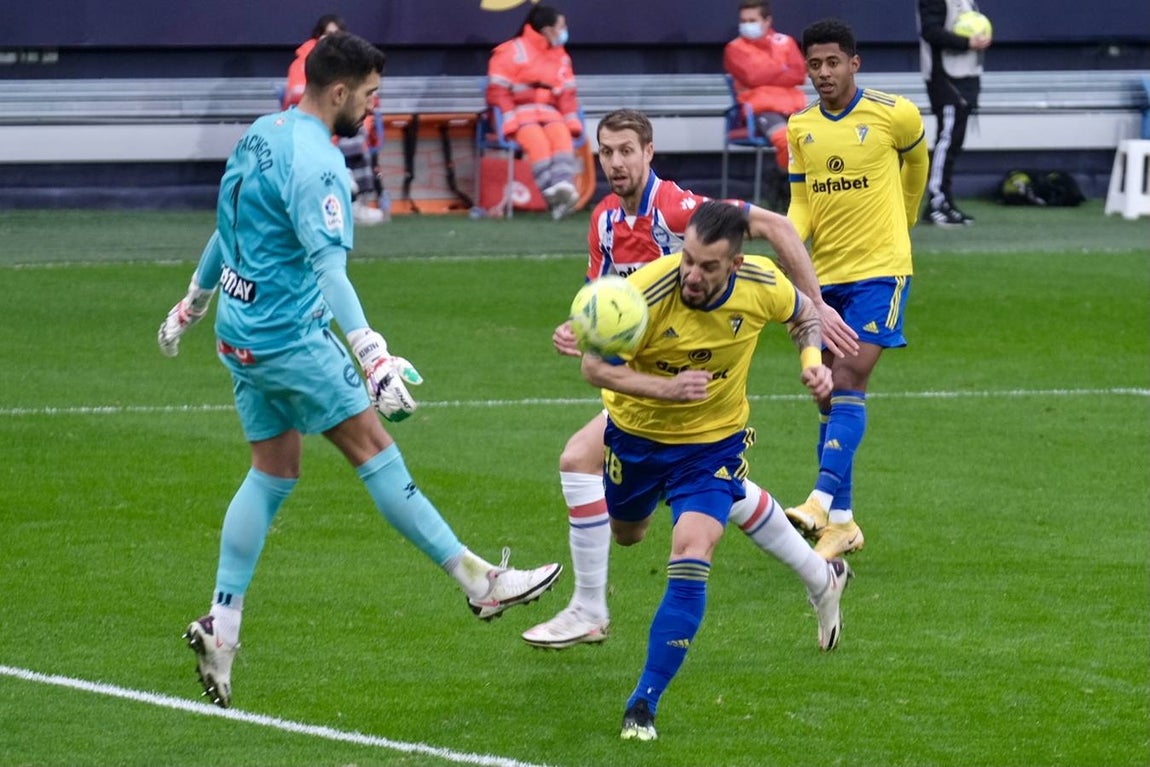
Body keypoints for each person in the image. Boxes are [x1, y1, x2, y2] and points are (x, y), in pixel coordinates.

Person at [155, 32, 561, 709]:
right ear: (339, 91)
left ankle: (223, 624)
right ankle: (479, 581)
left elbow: (228, 229)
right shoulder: (319, 164)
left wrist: (192, 303)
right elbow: (329, 270)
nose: (375, 106)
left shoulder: (260, 134)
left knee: (272, 470)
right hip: (291, 340)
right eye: (370, 95)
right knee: (375, 449)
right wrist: (372, 355)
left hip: (239, 333)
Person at [521, 108, 857, 652]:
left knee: (578, 459)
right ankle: (821, 576)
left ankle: (588, 608)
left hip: (697, 379)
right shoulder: (604, 219)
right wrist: (579, 326)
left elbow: (775, 226)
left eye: (627, 150)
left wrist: (815, 305)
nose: (615, 162)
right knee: (653, 521)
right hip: (649, 378)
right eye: (606, 152)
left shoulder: (680, 210)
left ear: (649, 152)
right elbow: (608, 302)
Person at [581, 200, 838, 740]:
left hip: (711, 444)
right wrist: (666, 389)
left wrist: (813, 364)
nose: (692, 275)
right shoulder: (647, 292)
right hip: (636, 438)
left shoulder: (762, 282)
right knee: (629, 534)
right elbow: (593, 367)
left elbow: (804, 315)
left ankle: (644, 703)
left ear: (736, 264)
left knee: (692, 551)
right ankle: (818, 570)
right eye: (688, 260)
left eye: (708, 266)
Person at [783, 19, 929, 558]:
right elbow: (802, 200)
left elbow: (917, 162)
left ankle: (820, 501)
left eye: (832, 62)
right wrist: (789, 243)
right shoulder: (800, 126)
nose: (823, 73)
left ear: (853, 63)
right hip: (823, 277)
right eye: (814, 64)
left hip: (881, 270)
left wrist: (906, 216)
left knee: (848, 376)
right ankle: (842, 524)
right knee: (827, 391)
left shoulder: (895, 113)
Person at [284, 14, 386, 226]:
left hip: (337, 128)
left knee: (357, 135)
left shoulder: (353, 67)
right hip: (312, 128)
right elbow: (296, 94)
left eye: (337, 34)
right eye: (328, 34)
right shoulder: (302, 63)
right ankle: (347, 196)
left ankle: (356, 201)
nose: (332, 39)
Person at [485, 4, 582, 220]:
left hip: (550, 113)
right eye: (561, 27)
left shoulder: (561, 56)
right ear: (547, 30)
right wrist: (509, 121)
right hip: (520, 115)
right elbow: (497, 92)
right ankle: (552, 193)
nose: (564, 31)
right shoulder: (510, 52)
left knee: (562, 137)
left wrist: (572, 122)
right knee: (538, 143)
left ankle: (564, 187)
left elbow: (567, 95)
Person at [918, 0, 992, 226]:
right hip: (945, 78)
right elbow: (931, 32)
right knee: (947, 140)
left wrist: (981, 39)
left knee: (954, 142)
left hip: (966, 76)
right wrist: (967, 42)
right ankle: (936, 203)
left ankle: (945, 201)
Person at [722, 0, 808, 180]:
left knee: (816, 140)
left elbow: (799, 74)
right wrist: (782, 68)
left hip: (795, 108)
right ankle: (788, 189)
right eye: (743, 21)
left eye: (752, 20)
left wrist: (765, 72)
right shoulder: (734, 49)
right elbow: (752, 77)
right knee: (787, 142)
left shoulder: (786, 42)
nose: (746, 25)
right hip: (761, 111)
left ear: (767, 21)